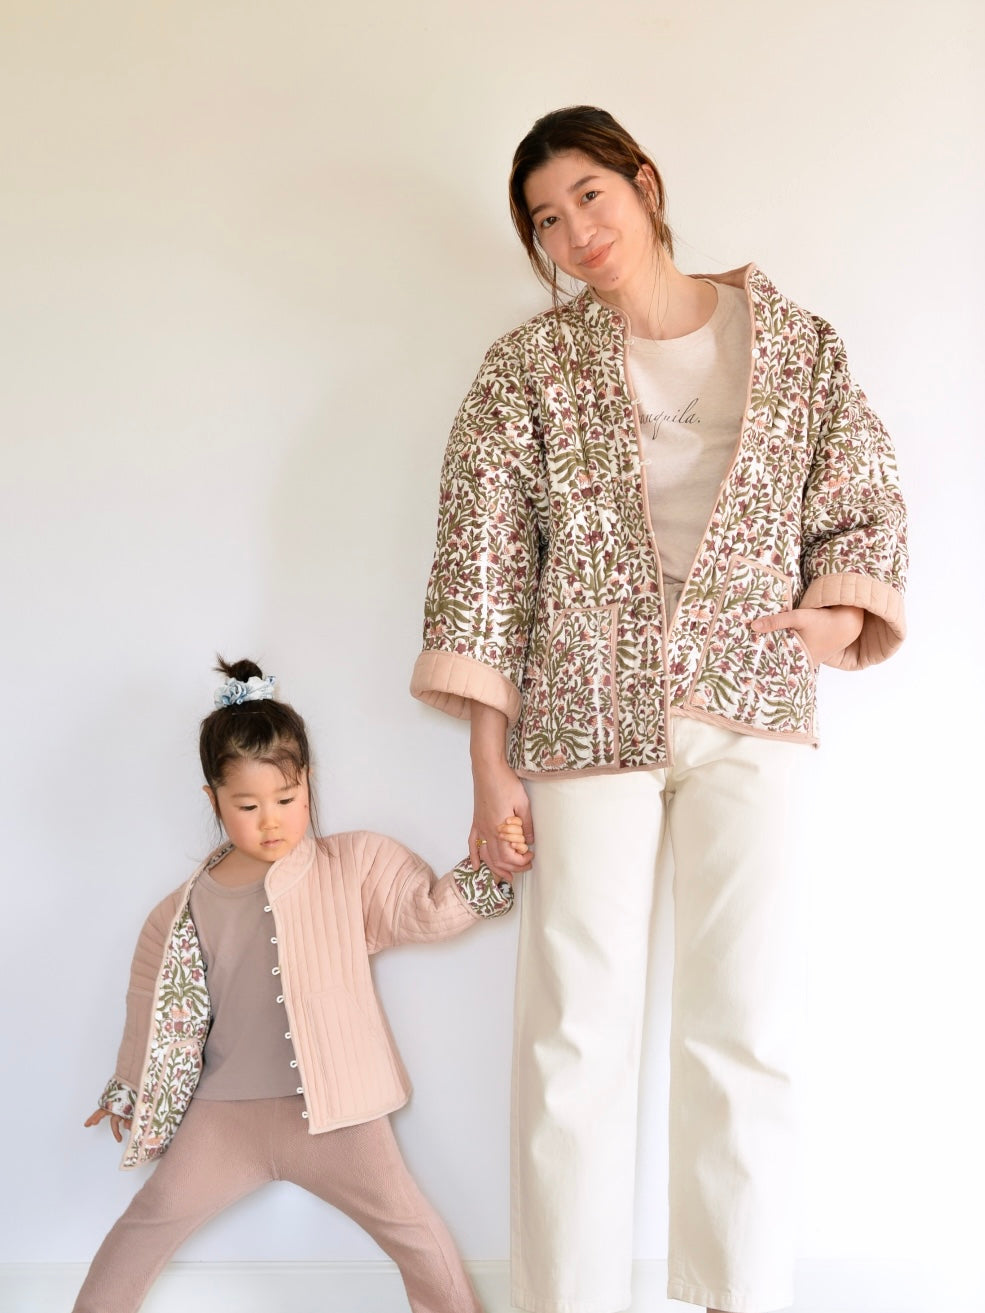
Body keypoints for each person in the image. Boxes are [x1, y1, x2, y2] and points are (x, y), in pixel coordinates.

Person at [411, 106, 908, 1313]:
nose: (575, 230)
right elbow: (484, 562)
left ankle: (739, 1293)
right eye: (546, 219)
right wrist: (489, 764)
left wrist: (835, 616)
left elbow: (862, 492)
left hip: (752, 702)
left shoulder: (795, 343)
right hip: (585, 710)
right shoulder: (525, 369)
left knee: (746, 1021)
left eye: (589, 195)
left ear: (643, 182)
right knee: (573, 1033)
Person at [73, 657, 517, 1313]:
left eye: (285, 799)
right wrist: (129, 1089)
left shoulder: (351, 866)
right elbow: (156, 1011)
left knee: (414, 1232)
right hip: (225, 1116)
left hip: (338, 1113)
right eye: (247, 805)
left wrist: (491, 866)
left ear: (307, 782)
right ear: (213, 801)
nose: (271, 820)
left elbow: (422, 908)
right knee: (146, 1223)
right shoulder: (181, 911)